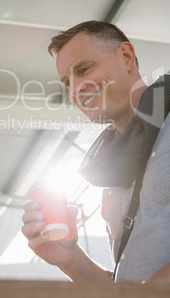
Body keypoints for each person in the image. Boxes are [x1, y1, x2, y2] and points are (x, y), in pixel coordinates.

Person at [21, 20, 170, 283]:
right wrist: (72, 261)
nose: (76, 89)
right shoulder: (113, 174)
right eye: (67, 83)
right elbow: (124, 286)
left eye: (84, 69)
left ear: (126, 57)